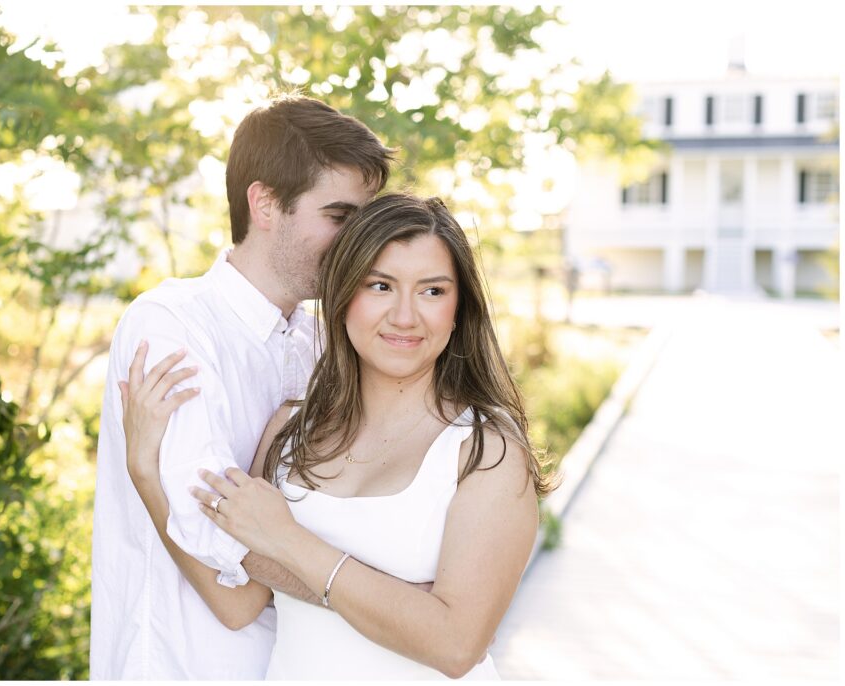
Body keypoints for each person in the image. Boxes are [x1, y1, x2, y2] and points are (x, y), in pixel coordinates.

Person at [123, 193, 557, 679]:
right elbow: (238, 604)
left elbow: (456, 646)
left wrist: (289, 540)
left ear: (459, 309)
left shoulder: (486, 451)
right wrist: (145, 473)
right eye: (380, 286)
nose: (405, 316)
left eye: (433, 291)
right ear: (343, 294)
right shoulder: (290, 433)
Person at [89, 95, 395, 679]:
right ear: (265, 204)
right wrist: (409, 601)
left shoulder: (322, 341)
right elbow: (235, 569)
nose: (361, 244)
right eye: (339, 218)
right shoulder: (173, 325)